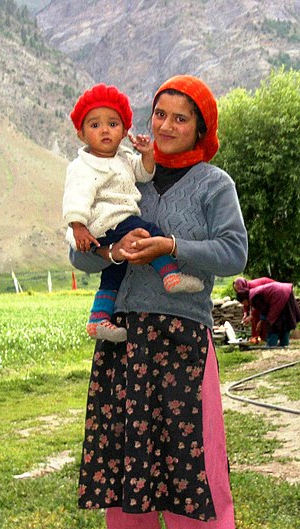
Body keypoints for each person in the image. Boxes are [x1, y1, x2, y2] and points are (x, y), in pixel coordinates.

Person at [71, 75, 248, 529]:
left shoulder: (215, 184)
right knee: (127, 446)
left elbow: (234, 252)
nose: (166, 126)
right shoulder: (126, 175)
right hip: (126, 335)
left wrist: (172, 244)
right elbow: (77, 254)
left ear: (201, 128)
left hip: (183, 333)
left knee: (194, 450)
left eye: (181, 118)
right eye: (160, 114)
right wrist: (111, 253)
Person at [63, 83, 203, 342]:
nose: (104, 130)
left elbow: (143, 173)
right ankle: (170, 275)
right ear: (81, 135)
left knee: (114, 271)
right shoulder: (82, 166)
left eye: (113, 124)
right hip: (106, 222)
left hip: (112, 229)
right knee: (148, 232)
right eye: (94, 125)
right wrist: (78, 226)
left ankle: (98, 319)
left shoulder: (123, 157)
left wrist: (148, 153)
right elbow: (75, 196)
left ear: (125, 131)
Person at [234, 278, 300, 347]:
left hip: (279, 296)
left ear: (245, 299)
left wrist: (261, 321)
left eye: (243, 302)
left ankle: (271, 345)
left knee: (273, 323)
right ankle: (284, 344)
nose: (244, 305)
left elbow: (264, 310)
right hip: (287, 291)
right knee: (284, 322)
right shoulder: (253, 293)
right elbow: (264, 309)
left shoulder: (254, 297)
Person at [233, 276, 274, 343]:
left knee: (260, 318)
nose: (238, 291)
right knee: (254, 317)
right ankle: (256, 338)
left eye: (239, 289)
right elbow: (245, 302)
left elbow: (258, 305)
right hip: (260, 302)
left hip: (270, 295)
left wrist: (251, 316)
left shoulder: (253, 288)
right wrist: (245, 314)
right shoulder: (245, 291)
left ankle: (263, 339)